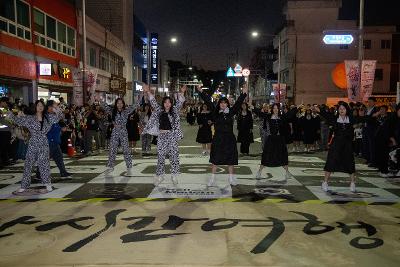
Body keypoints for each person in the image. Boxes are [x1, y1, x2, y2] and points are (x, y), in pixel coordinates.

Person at [7, 100, 63, 195]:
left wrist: (57, 109)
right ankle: (24, 186)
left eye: (42, 105)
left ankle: (47, 184)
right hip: (33, 142)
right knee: (28, 164)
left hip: (43, 142)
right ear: (35, 107)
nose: (40, 107)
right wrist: (11, 114)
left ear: (44, 107)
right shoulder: (30, 118)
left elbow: (59, 117)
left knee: (44, 164)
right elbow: (18, 120)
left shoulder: (48, 118)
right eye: (38, 105)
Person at [197, 84, 248, 186]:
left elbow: (238, 103)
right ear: (219, 104)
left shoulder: (231, 112)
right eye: (221, 103)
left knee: (231, 159)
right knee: (215, 159)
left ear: (227, 104)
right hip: (218, 138)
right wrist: (201, 91)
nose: (223, 104)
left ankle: (231, 179)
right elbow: (208, 101)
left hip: (229, 138)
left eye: (225, 103)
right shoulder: (216, 113)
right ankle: (212, 179)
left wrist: (244, 93)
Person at [143, 85, 186, 185]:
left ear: (171, 104)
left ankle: (174, 176)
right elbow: (153, 102)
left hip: (171, 137)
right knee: (161, 157)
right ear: (163, 103)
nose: (167, 104)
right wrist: (148, 91)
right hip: (161, 137)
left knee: (174, 156)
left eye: (169, 102)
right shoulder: (159, 111)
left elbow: (180, 103)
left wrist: (182, 92)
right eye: (165, 102)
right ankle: (160, 176)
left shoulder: (174, 111)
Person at [315, 102, 356, 192]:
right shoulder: (335, 119)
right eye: (340, 108)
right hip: (336, 144)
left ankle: (352, 183)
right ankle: (325, 182)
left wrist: (374, 115)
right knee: (331, 161)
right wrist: (320, 111)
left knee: (350, 162)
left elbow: (363, 118)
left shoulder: (351, 119)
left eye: (343, 108)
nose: (341, 110)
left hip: (347, 145)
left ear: (347, 110)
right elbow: (326, 115)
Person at [101, 97, 140, 176]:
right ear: (116, 104)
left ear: (123, 104)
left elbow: (134, 106)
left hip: (123, 132)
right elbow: (105, 106)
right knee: (112, 149)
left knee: (126, 150)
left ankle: (129, 168)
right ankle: (110, 167)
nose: (119, 104)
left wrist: (138, 99)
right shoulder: (112, 111)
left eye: (121, 103)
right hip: (115, 132)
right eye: (118, 103)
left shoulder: (126, 111)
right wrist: (99, 99)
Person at [36, 100, 72, 179]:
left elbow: (56, 124)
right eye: (55, 106)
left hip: (55, 141)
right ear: (49, 107)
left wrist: (61, 128)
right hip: (49, 141)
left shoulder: (52, 116)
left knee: (59, 158)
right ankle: (39, 174)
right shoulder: (45, 116)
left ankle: (63, 172)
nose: (57, 107)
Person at [256, 103, 291, 181]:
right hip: (271, 139)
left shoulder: (282, 117)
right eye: (274, 108)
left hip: (280, 140)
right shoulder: (268, 116)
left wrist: (296, 108)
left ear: (279, 109)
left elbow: (290, 114)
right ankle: (259, 172)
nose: (275, 109)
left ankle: (287, 172)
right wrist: (253, 107)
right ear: (272, 109)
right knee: (266, 156)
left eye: (277, 108)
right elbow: (260, 114)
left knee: (283, 156)